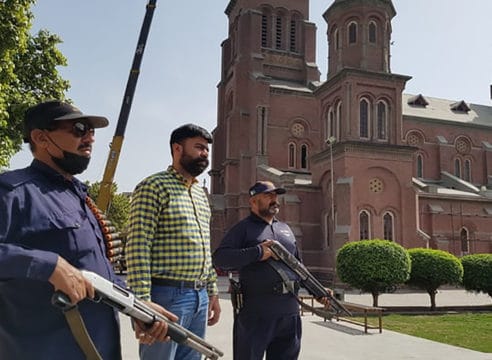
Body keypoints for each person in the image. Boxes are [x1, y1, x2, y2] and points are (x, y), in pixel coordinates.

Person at [0, 100, 173, 360]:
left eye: (92, 131)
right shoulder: (13, 192)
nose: (89, 137)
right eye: (79, 129)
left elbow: (95, 270)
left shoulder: (79, 196)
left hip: (99, 350)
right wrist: (49, 265)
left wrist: (137, 306)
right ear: (41, 138)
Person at [126, 123, 221, 360]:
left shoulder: (200, 194)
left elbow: (204, 247)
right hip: (167, 296)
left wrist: (212, 291)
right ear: (177, 148)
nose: (205, 154)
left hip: (199, 297)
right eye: (199, 147)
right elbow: (138, 245)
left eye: (207, 150)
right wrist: (142, 302)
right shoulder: (153, 187)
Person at [213, 181, 328, 360]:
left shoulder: (286, 229)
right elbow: (220, 258)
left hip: (289, 313)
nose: (274, 200)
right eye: (268, 196)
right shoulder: (243, 229)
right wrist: (258, 252)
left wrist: (317, 291)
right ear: (253, 201)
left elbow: (298, 266)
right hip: (256, 314)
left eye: (275, 196)